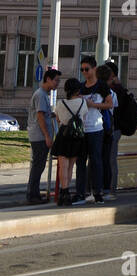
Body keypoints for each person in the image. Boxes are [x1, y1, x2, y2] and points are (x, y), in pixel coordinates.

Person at [77, 55, 111, 203]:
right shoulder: (81, 87)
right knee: (80, 161)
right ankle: (81, 192)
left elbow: (110, 104)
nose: (84, 72)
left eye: (87, 69)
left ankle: (97, 192)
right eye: (82, 69)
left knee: (96, 160)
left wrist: (93, 105)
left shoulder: (102, 86)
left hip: (96, 128)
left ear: (94, 69)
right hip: (82, 129)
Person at [26, 68, 61, 203]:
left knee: (38, 166)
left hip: (39, 135)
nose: (58, 84)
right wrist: (47, 136)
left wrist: (52, 114)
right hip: (39, 136)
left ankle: (33, 194)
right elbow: (40, 116)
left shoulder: (43, 94)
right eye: (56, 80)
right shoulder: (41, 95)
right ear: (48, 79)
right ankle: (32, 196)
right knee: (38, 166)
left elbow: (43, 114)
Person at [53, 78, 88, 206]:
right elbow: (84, 119)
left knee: (63, 166)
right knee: (71, 166)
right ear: (78, 90)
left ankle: (64, 192)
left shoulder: (60, 103)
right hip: (77, 137)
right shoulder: (82, 103)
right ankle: (67, 195)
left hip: (64, 135)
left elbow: (57, 119)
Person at [103, 60, 125, 197]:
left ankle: (110, 187)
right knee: (108, 158)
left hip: (113, 128)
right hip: (112, 128)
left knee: (110, 159)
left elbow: (115, 108)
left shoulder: (115, 90)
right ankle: (108, 187)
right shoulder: (117, 88)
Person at [96, 64, 117, 200]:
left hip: (94, 128)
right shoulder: (112, 94)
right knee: (106, 160)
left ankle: (93, 188)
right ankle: (106, 189)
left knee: (95, 159)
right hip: (106, 129)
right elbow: (113, 108)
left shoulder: (93, 92)